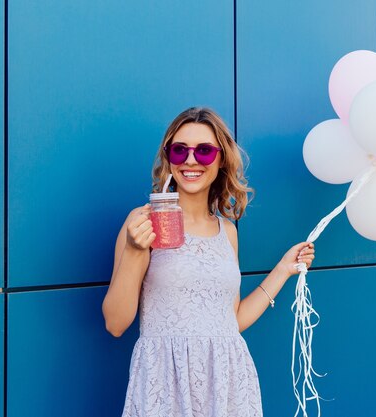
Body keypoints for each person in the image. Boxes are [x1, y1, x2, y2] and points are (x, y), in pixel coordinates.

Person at [102, 107, 315, 417]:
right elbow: (115, 323)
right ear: (168, 157)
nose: (190, 160)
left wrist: (283, 269)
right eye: (179, 150)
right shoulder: (142, 223)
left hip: (227, 384)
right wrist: (136, 250)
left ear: (220, 160)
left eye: (204, 151)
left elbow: (231, 321)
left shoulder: (226, 231)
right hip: (165, 386)